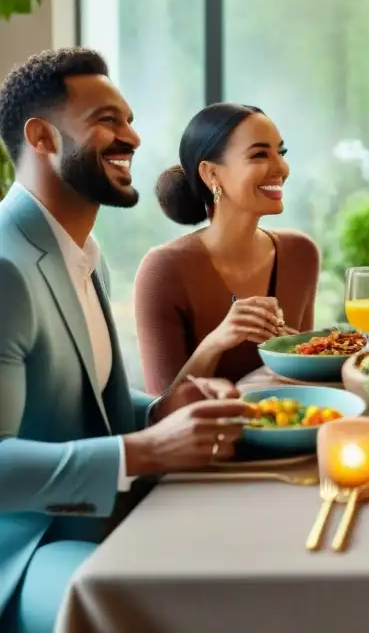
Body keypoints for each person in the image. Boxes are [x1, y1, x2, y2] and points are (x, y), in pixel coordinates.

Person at [0, 47, 254, 633]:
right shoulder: (5, 269)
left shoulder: (84, 256)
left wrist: (164, 410)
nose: (133, 138)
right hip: (23, 549)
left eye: (130, 120)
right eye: (106, 122)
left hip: (96, 517)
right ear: (41, 137)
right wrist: (150, 449)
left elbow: (81, 412)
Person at [134, 103, 320, 395]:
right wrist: (216, 342)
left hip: (290, 431)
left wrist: (299, 352)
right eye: (260, 154)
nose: (281, 168)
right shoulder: (163, 270)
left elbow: (304, 386)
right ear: (211, 174)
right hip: (209, 440)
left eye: (280, 153)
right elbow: (160, 411)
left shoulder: (301, 253)